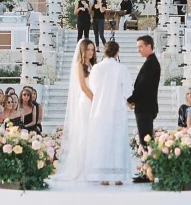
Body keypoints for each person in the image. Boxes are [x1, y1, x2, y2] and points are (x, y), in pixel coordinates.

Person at [85, 41, 135, 185]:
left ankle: (104, 177)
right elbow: (127, 91)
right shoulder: (121, 68)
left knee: (102, 140)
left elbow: (93, 87)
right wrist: (130, 102)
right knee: (117, 141)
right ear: (117, 52)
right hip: (117, 109)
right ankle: (118, 177)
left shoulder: (96, 68)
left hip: (100, 108)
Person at [54, 39, 96, 181]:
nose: (90, 52)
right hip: (86, 100)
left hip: (92, 99)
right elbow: (83, 87)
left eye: (92, 49)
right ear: (82, 50)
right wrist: (96, 100)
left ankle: (92, 164)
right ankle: (82, 167)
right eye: (88, 49)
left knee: (92, 133)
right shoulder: (79, 65)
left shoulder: (91, 64)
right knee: (85, 132)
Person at [127, 35, 161, 181]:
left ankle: (149, 173)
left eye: (141, 46)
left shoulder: (152, 63)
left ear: (149, 46)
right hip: (144, 105)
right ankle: (148, 172)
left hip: (146, 106)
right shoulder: (150, 62)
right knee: (144, 140)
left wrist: (131, 99)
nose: (138, 50)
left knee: (146, 140)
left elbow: (144, 86)